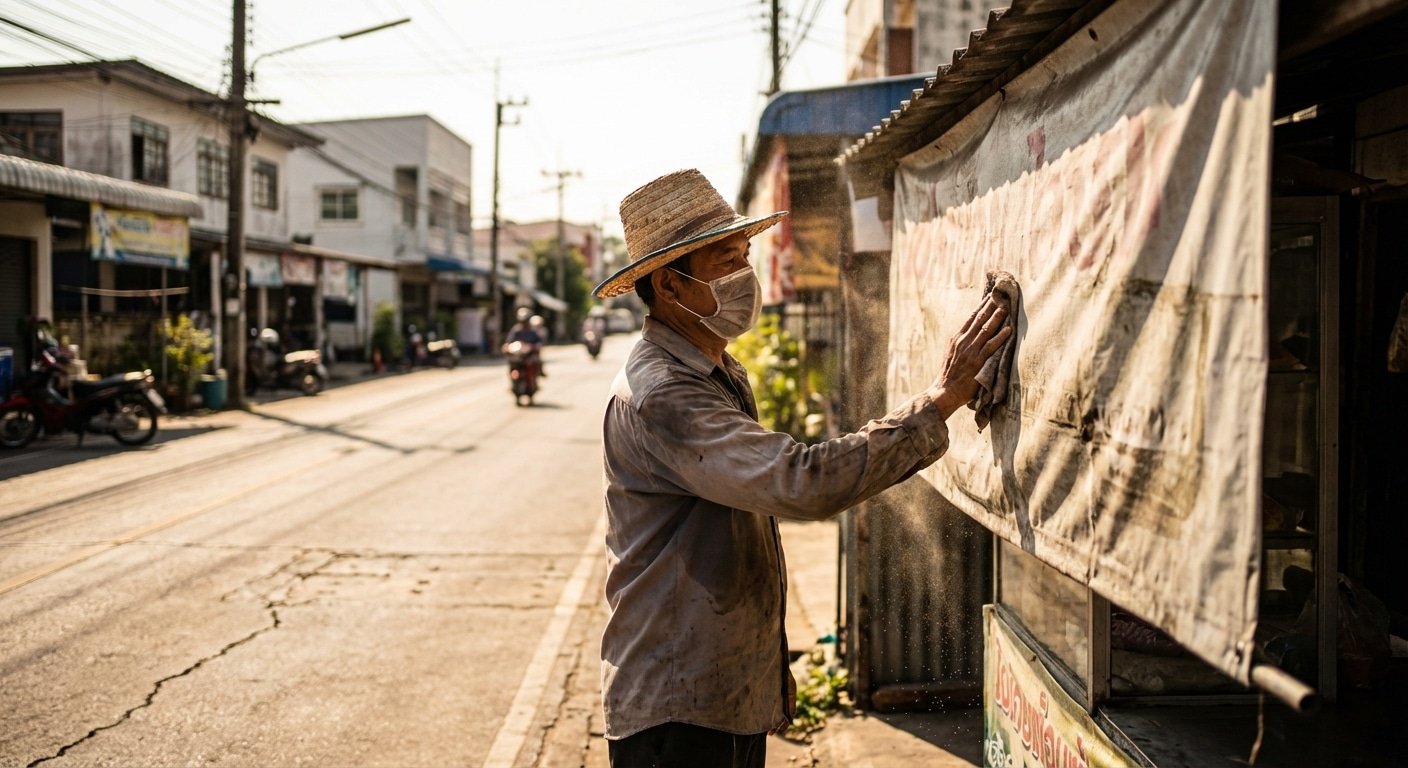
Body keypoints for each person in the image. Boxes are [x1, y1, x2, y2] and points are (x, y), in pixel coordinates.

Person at [593, 169, 1011, 768]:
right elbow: (800, 483)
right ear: (670, 283)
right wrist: (942, 399)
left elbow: (749, 535)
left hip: (718, 692)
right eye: (724, 260)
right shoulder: (665, 394)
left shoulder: (716, 371)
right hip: (676, 708)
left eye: (745, 255)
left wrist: (768, 670)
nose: (746, 275)